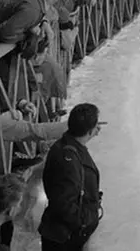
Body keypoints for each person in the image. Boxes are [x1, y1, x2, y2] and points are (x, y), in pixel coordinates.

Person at [39, 103, 104, 251]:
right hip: (66, 239)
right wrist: (86, 221)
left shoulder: (64, 145)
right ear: (89, 130)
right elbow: (63, 204)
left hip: (63, 233)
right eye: (95, 126)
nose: (98, 129)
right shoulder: (68, 160)